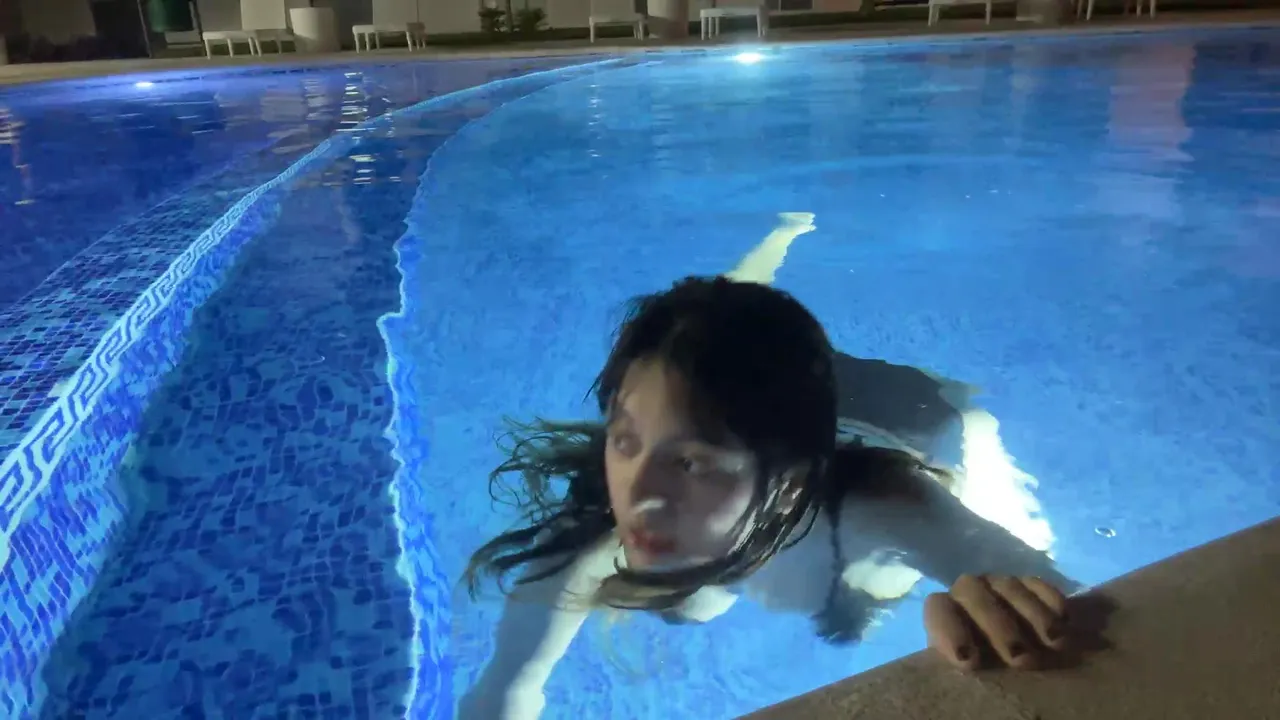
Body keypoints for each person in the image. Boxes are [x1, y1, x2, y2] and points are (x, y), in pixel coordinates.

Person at [459, 214, 1086, 720]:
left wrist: (1000, 602)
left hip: (908, 410)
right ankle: (781, 238)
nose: (638, 494)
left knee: (964, 437)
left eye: (690, 463)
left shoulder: (880, 506)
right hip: (778, 421)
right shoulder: (591, 533)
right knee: (710, 344)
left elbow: (1086, 608)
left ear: (789, 488)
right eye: (625, 440)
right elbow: (503, 693)